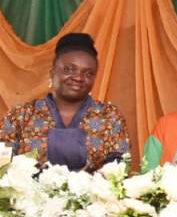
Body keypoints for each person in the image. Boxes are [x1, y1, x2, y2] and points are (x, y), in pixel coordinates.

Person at [0, 33, 128, 172]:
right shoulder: (21, 115)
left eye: (88, 73)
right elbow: (2, 165)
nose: (78, 78)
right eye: (69, 69)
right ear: (52, 72)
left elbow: (118, 170)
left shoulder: (109, 116)